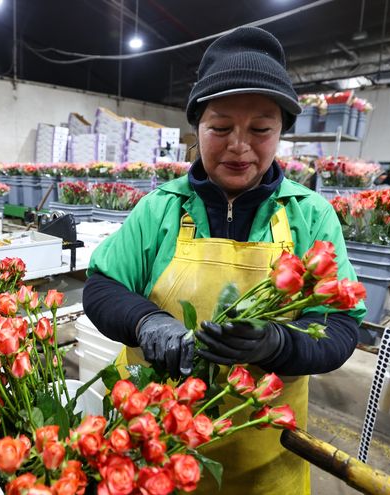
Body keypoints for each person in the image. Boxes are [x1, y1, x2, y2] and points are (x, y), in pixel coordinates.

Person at [83, 27, 365, 495]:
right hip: (148, 445)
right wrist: (148, 322)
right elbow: (103, 286)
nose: (239, 145)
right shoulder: (161, 208)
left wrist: (276, 342)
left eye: (260, 129)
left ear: (281, 132)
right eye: (219, 128)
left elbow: (339, 327)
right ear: (197, 128)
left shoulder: (309, 216)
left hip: (259, 455)